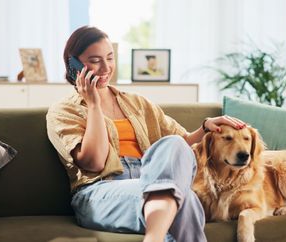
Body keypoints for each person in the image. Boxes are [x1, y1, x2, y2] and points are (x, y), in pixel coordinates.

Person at [46, 26, 246, 242]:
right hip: (100, 190)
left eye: (110, 58)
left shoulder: (137, 102)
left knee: (174, 145)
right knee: (185, 199)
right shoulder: (63, 111)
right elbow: (94, 163)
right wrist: (94, 105)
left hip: (150, 179)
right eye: (95, 60)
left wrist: (206, 127)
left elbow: (183, 142)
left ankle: (154, 237)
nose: (106, 67)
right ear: (73, 64)